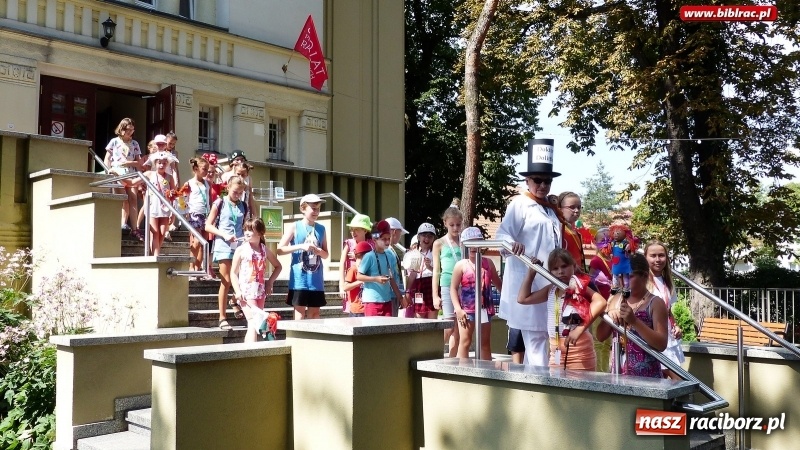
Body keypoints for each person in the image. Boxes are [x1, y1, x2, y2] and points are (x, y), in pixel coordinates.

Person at [496, 139, 563, 365]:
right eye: (538, 180)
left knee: (544, 338)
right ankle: (539, 391)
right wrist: (512, 244)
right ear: (527, 180)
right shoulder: (520, 204)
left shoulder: (550, 210)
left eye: (547, 181)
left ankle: (533, 389)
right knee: (535, 340)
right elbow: (503, 234)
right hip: (529, 281)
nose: (542, 185)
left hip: (549, 282)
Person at [517, 249, 607, 370]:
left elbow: (601, 302)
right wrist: (532, 272)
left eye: (564, 266)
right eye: (555, 268)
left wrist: (579, 329)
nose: (560, 271)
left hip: (579, 351)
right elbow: (522, 299)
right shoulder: (551, 289)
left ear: (574, 266)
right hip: (556, 352)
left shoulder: (579, 286)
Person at [596, 253, 669, 378]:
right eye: (620, 276)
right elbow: (600, 336)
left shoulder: (655, 303)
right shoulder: (616, 298)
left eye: (629, 276)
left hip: (647, 377)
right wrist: (609, 316)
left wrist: (634, 321)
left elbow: (661, 344)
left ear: (644, 276)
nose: (623, 282)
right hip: (619, 374)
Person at [451, 227, 502, 359]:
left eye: (477, 242)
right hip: (467, 310)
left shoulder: (488, 263)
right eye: (470, 243)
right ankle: (461, 373)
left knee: (485, 343)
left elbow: (498, 284)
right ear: (464, 245)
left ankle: (486, 373)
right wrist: (458, 309)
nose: (474, 247)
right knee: (465, 342)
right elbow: (453, 288)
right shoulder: (461, 265)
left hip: (485, 309)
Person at [205, 176, 248, 330]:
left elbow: (245, 225)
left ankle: (233, 300)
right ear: (228, 187)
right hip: (223, 245)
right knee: (227, 280)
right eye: (235, 192)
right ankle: (222, 318)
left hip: (239, 245)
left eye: (241, 193)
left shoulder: (243, 205)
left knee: (242, 279)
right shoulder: (220, 202)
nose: (238, 195)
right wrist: (224, 234)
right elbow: (208, 226)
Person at [278, 194, 329, 320]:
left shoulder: (321, 229)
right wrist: (301, 246)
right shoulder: (295, 226)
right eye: (313, 208)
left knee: (315, 313)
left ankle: (314, 338)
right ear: (303, 209)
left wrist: (318, 251)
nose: (316, 211)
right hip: (299, 279)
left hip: (316, 280)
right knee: (299, 312)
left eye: (318, 208)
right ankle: (299, 339)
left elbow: (326, 254)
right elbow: (280, 249)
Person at [230, 218, 282, 342]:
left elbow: (278, 266)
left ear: (260, 233)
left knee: (257, 322)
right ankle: (249, 352)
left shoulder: (264, 249)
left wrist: (270, 282)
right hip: (246, 292)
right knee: (252, 322)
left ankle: (253, 351)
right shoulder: (241, 250)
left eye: (250, 230)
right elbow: (233, 273)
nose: (247, 233)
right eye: (245, 230)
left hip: (260, 291)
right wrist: (237, 291)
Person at [645, 240, 685, 379]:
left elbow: (668, 310)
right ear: (645, 257)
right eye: (653, 255)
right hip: (653, 335)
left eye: (661, 255)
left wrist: (675, 325)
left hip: (668, 336)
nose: (658, 259)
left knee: (665, 381)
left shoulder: (667, 280)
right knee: (679, 379)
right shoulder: (642, 281)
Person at [432, 199, 463, 356]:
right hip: (446, 285)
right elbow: (436, 271)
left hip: (463, 286)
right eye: (452, 225)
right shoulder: (439, 243)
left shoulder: (464, 241)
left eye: (458, 224)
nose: (455, 228)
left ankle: (452, 361)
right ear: (445, 223)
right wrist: (435, 295)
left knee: (459, 329)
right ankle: (432, 351)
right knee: (449, 325)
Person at [104, 118, 143, 240]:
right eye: (128, 129)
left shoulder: (135, 144)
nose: (130, 132)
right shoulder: (114, 142)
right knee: (123, 198)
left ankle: (134, 228)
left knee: (133, 199)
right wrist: (108, 170)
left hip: (131, 173)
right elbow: (107, 158)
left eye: (132, 129)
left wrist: (129, 162)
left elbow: (140, 162)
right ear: (121, 129)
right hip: (118, 172)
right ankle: (121, 223)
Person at [357, 220, 405, 316]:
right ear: (375, 240)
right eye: (384, 239)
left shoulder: (389, 255)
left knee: (387, 329)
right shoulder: (369, 256)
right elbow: (359, 276)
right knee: (372, 330)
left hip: (387, 300)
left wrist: (400, 297)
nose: (387, 241)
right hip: (372, 301)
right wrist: (376, 279)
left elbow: (391, 279)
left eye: (389, 238)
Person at [143, 151, 178, 256]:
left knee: (162, 233)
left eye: (164, 163)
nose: (162, 165)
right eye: (159, 163)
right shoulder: (150, 174)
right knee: (155, 232)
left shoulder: (169, 177)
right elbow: (134, 181)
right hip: (153, 207)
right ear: (155, 164)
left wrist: (173, 212)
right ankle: (156, 256)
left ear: (167, 164)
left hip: (165, 208)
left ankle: (154, 251)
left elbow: (174, 195)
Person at [338, 214, 373, 314]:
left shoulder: (371, 244)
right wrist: (341, 285)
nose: (353, 232)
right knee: (353, 309)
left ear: (365, 230)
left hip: (366, 283)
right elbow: (342, 263)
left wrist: (359, 256)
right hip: (352, 282)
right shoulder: (349, 243)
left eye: (357, 229)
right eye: (352, 229)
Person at [183, 157, 211, 277]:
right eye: (204, 169)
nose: (206, 172)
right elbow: (182, 198)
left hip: (206, 214)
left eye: (207, 169)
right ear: (196, 169)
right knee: (196, 242)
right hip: (194, 213)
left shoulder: (207, 183)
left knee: (204, 243)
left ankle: (198, 268)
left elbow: (209, 197)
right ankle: (191, 266)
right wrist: (185, 211)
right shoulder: (189, 183)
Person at [405, 223, 438, 319]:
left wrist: (430, 267)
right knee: (419, 317)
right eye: (424, 235)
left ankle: (432, 334)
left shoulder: (435, 253)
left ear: (434, 238)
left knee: (432, 317)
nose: (427, 239)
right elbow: (412, 274)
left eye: (430, 236)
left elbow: (439, 272)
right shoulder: (414, 254)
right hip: (418, 286)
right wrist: (407, 291)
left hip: (431, 284)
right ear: (418, 237)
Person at [602, 222, 638, 295]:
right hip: (616, 262)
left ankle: (626, 289)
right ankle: (615, 287)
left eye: (618, 233)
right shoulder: (612, 243)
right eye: (614, 233)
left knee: (625, 276)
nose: (615, 234)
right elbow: (608, 250)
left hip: (624, 262)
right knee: (615, 275)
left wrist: (630, 250)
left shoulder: (625, 243)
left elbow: (630, 250)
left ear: (624, 234)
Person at [385, 217, 409, 316]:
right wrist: (400, 296)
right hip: (390, 295)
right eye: (400, 233)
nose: (400, 236)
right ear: (394, 232)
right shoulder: (388, 251)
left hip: (393, 294)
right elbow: (390, 275)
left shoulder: (390, 249)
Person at [558, 192, 586, 272]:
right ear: (560, 209)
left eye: (579, 207)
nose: (577, 210)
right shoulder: (558, 231)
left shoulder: (577, 233)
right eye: (572, 207)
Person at [344, 241, 373, 317]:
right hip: (356, 310)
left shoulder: (369, 270)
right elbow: (345, 287)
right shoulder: (353, 270)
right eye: (360, 260)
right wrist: (360, 281)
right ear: (356, 258)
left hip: (367, 307)